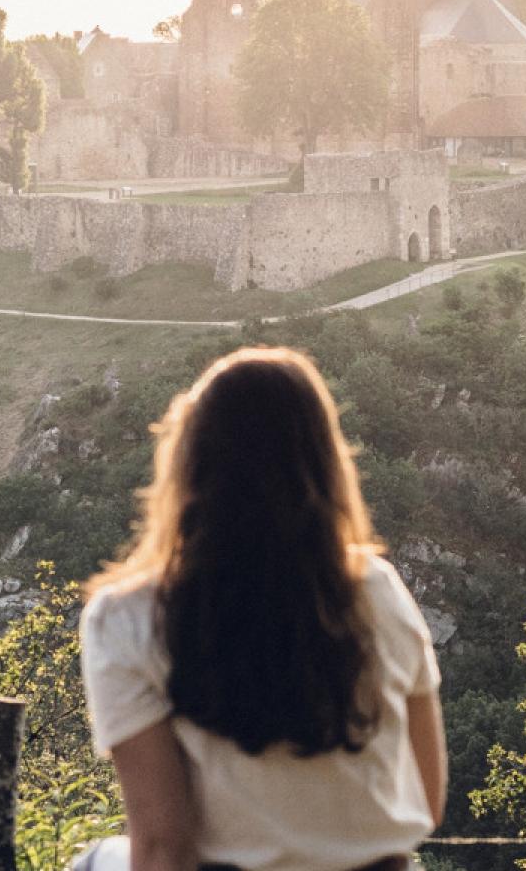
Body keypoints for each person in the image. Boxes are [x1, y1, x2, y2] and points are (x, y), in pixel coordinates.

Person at [78, 346, 446, 871]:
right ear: (325, 462)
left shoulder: (128, 616)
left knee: (95, 861)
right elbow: (426, 800)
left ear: (188, 460)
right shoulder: (376, 590)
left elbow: (165, 848)